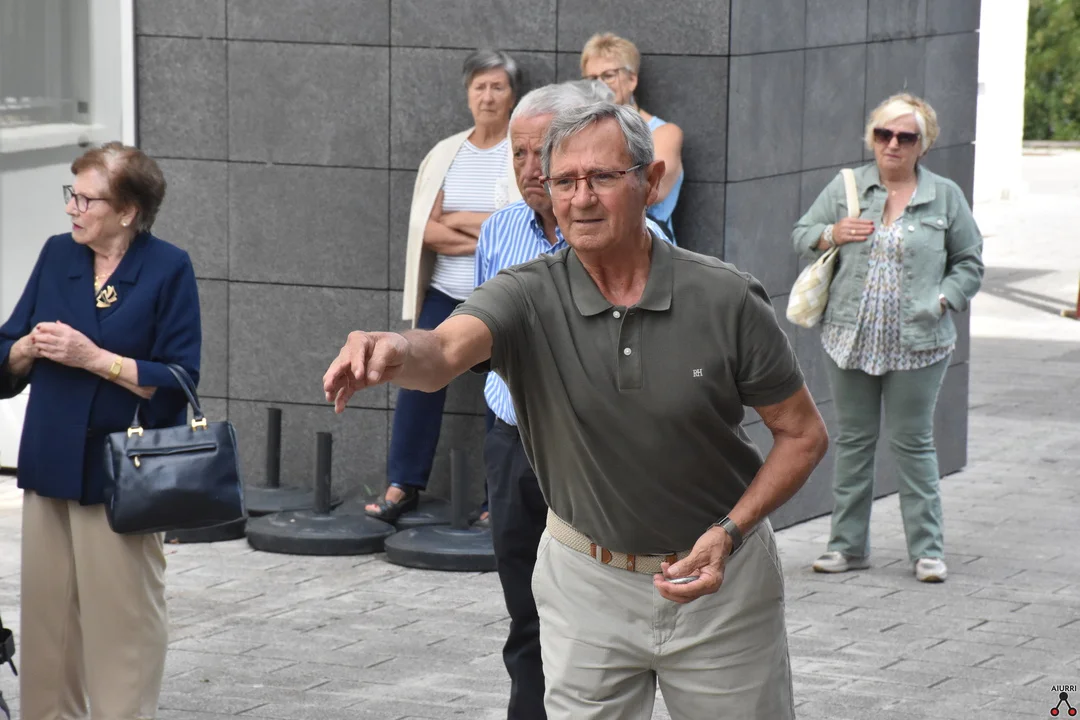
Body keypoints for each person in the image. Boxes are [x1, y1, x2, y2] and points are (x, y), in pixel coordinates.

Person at [325, 103, 828, 719]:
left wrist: (731, 531)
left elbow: (802, 434)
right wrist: (394, 349)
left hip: (721, 587)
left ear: (650, 181)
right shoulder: (525, 294)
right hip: (587, 585)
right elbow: (444, 353)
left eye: (602, 178)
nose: (581, 198)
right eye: (564, 181)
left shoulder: (726, 297)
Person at [476, 79, 672, 720]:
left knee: (602, 612)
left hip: (599, 451)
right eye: (518, 154)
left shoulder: (638, 242)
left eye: (543, 153)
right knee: (525, 609)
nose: (531, 169)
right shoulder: (499, 232)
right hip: (513, 442)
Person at [0, 142, 201, 718]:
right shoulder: (56, 253)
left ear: (128, 211)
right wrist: (24, 349)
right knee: (48, 625)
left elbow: (179, 378)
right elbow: (7, 348)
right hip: (50, 461)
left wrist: (94, 358)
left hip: (121, 472)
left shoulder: (168, 267)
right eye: (73, 194)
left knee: (123, 624)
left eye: (87, 199)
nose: (73, 208)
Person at [792, 93, 984, 583]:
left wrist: (943, 299)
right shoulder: (848, 187)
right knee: (854, 442)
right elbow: (801, 233)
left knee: (913, 443)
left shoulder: (944, 196)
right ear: (872, 138)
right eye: (883, 134)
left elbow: (969, 262)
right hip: (850, 336)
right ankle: (847, 547)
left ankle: (927, 551)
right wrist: (832, 232)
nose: (893, 144)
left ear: (924, 144)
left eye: (905, 137)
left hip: (919, 340)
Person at [369, 48, 523, 523]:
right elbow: (427, 230)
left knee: (504, 395)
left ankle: (497, 501)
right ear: (467, 94)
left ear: (513, 94)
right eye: (479, 86)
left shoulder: (521, 150)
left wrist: (460, 219)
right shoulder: (446, 153)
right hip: (444, 291)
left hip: (500, 294)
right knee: (415, 377)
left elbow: (518, 223)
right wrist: (486, 230)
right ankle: (402, 485)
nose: (488, 96)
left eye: (497, 86)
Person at [581, 32, 684, 240]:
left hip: (650, 245)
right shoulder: (582, 132)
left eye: (608, 75)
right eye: (592, 79)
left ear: (632, 80)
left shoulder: (665, 133)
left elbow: (652, 189)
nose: (599, 85)